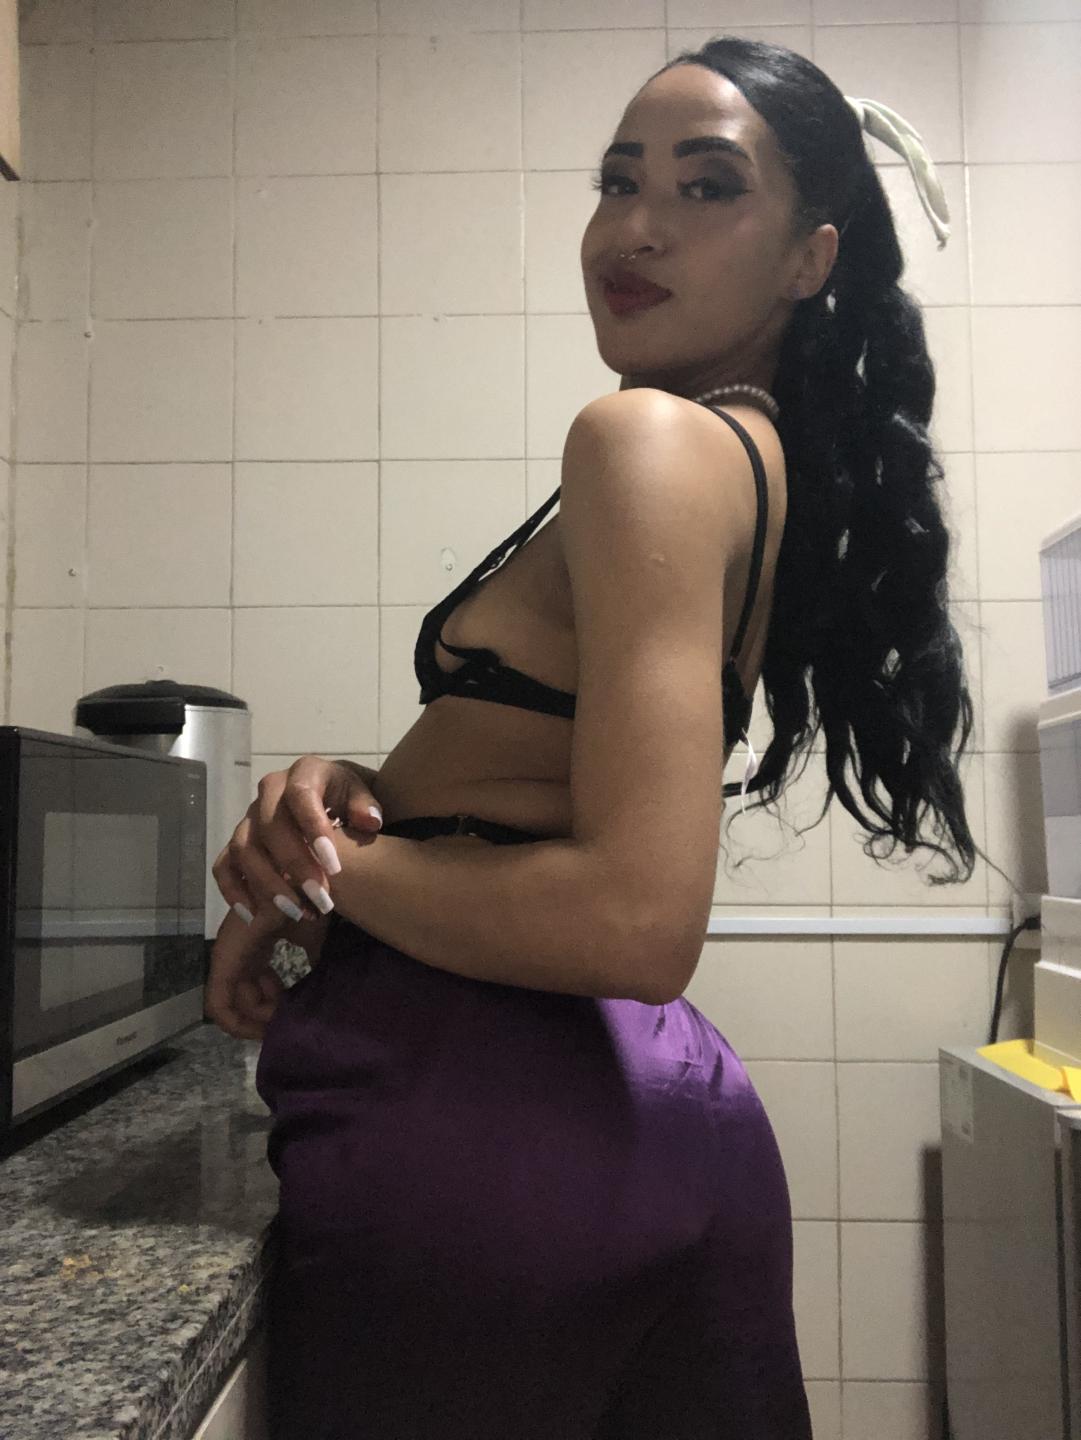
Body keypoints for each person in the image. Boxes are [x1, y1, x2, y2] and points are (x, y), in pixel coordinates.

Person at [205, 35, 978, 1439]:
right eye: (619, 181)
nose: (635, 226)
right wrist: (365, 792)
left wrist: (318, 873)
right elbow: (539, 777)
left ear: (807, 259)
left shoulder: (647, 444)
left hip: (490, 1131)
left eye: (705, 187)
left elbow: (633, 918)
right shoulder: (733, 449)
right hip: (607, 1116)